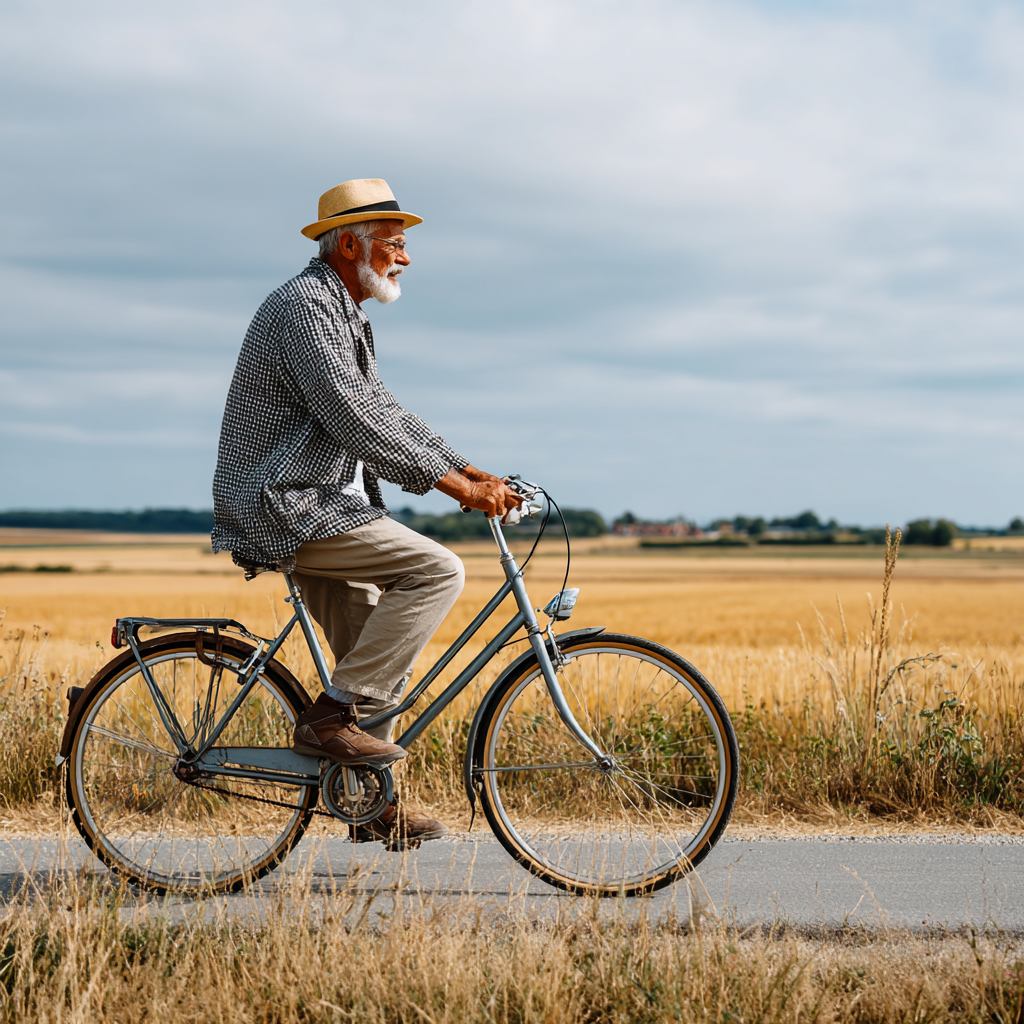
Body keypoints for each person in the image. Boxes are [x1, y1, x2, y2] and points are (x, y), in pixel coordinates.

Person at [211, 178, 522, 846]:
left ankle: (366, 806)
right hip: (285, 505)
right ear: (351, 245)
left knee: (375, 664)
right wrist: (457, 491)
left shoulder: (344, 312)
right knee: (437, 572)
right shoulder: (303, 309)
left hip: (319, 501)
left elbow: (385, 409)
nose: (405, 258)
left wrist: (468, 468)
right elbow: (352, 418)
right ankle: (326, 722)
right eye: (395, 244)